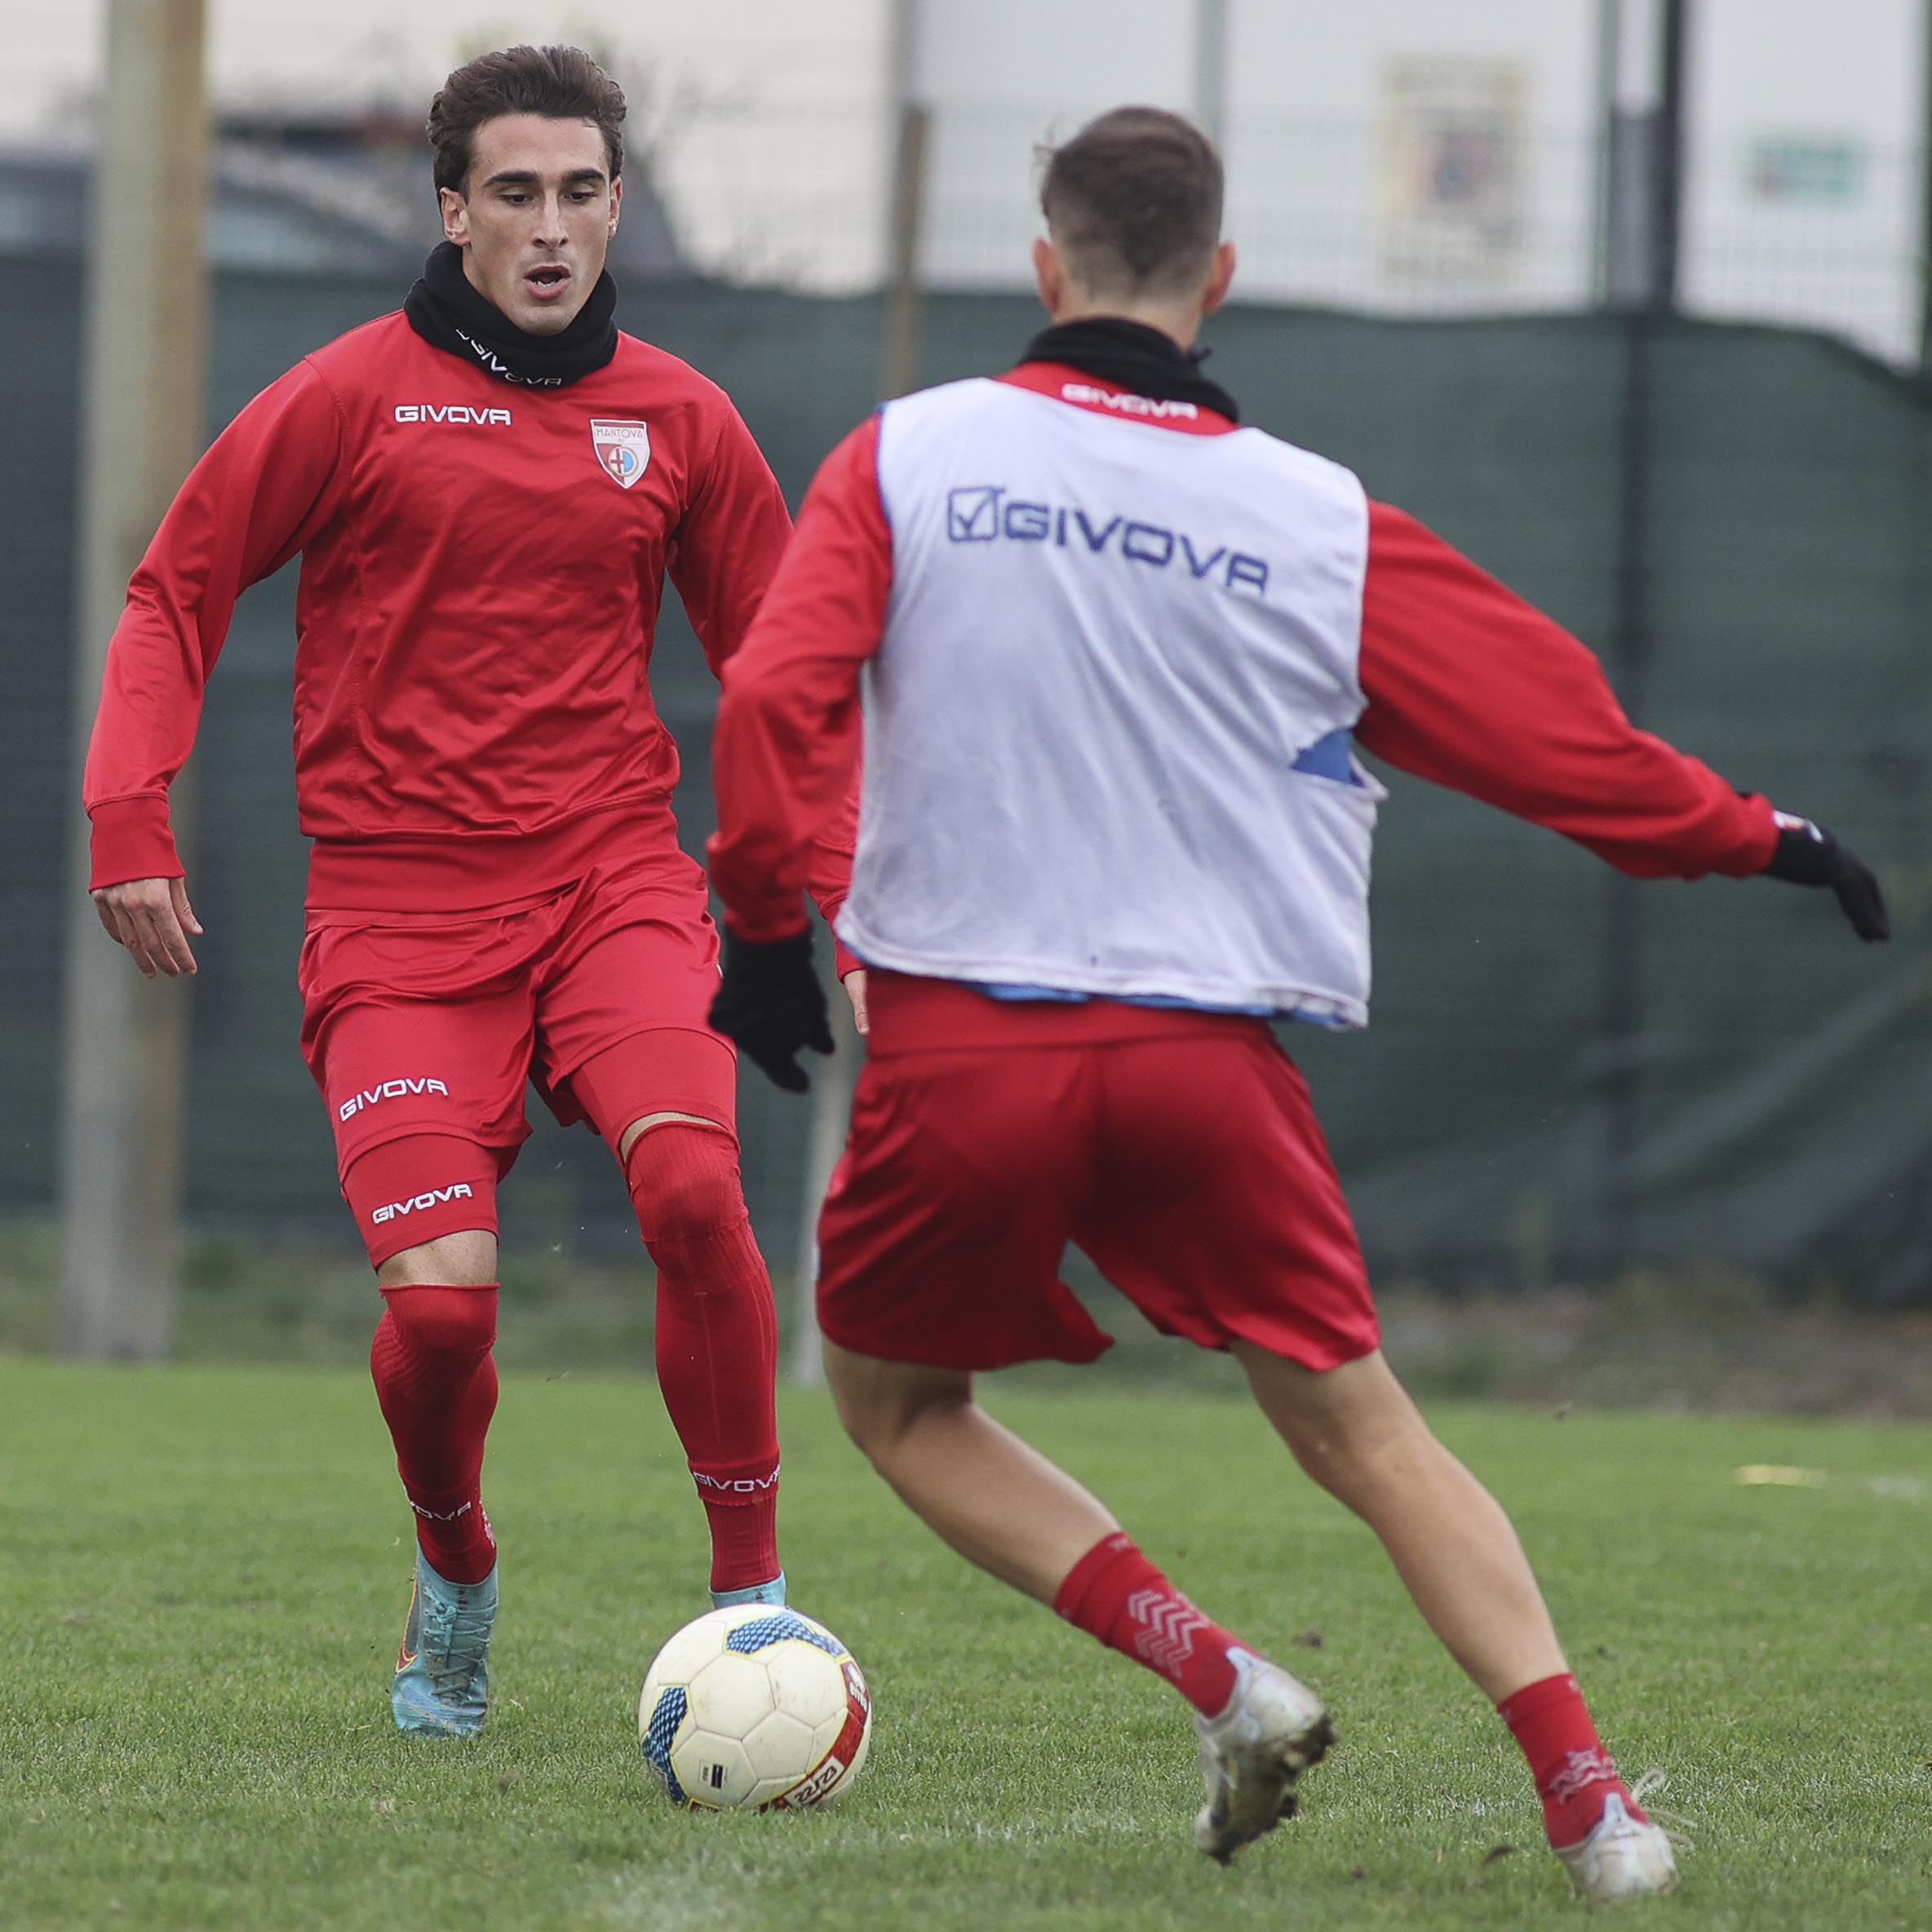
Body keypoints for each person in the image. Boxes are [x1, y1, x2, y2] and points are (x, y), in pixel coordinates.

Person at [702, 106, 1888, 1899]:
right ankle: (1596, 1812)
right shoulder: (1315, 518)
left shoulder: (909, 455)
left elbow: (774, 696)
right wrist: (1761, 837)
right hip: (1208, 1062)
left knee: (892, 1404)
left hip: (963, 1048)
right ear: (1220, 277)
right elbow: (1558, 742)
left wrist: (761, 923)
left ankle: (1220, 1671)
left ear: (1044, 265)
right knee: (1363, 1427)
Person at [82, 44, 862, 1739]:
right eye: (513, 191)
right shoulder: (352, 395)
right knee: (442, 1311)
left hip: (612, 888)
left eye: (581, 191)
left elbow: (785, 667)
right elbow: (174, 589)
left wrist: (830, 889)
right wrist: (126, 815)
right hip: (397, 919)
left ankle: (752, 1609)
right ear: (450, 208)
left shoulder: (680, 419)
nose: (550, 225)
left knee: (688, 1197)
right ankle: (454, 1574)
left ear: (615, 208)